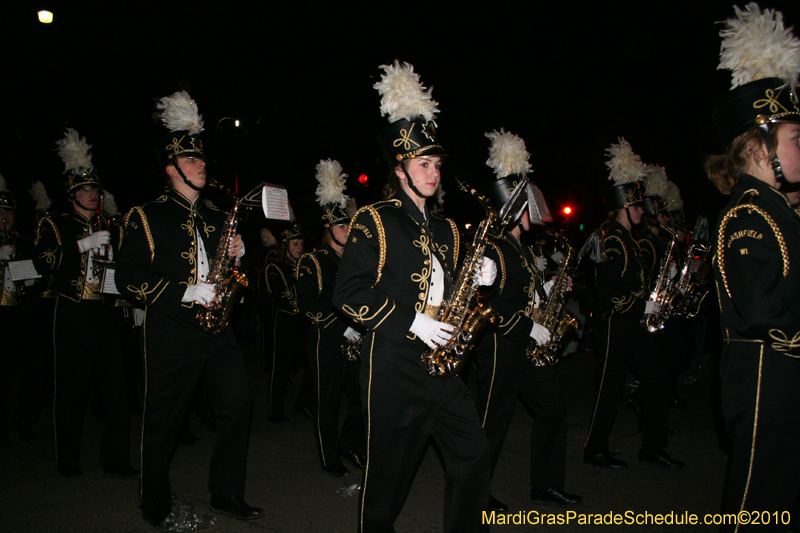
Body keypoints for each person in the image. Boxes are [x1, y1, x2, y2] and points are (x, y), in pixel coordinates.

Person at [333, 60, 493, 533]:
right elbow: (348, 293)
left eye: (437, 165)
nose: (434, 172)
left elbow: (446, 285)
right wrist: (412, 320)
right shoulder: (375, 219)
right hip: (394, 369)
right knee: (389, 479)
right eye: (424, 164)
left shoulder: (447, 227)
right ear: (400, 169)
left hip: (443, 365)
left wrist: (478, 276)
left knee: (473, 453)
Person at [115, 91, 262, 528]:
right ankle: (154, 502)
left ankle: (227, 492)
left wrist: (237, 256)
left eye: (201, 159)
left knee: (238, 403)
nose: (201, 165)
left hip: (216, 328)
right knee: (164, 417)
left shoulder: (217, 217)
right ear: (171, 168)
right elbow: (128, 278)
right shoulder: (145, 216)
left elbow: (229, 271)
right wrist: (184, 291)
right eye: (191, 160)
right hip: (171, 329)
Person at [706, 6, 800, 529]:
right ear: (762, 149)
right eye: (795, 139)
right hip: (765, 378)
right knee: (758, 503)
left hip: (783, 374)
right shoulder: (748, 214)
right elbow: (766, 310)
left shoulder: (777, 208)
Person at [475, 129, 582, 511]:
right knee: (492, 422)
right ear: (514, 208)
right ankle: (475, 494)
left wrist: (550, 287)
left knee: (553, 408)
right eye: (526, 205)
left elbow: (525, 293)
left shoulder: (520, 247)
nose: (533, 212)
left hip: (526, 347)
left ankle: (546, 484)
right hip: (501, 348)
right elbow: (490, 305)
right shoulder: (493, 247)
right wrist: (529, 328)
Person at [33, 129, 135, 479]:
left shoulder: (111, 225)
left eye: (95, 190)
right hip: (73, 311)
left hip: (104, 311)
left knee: (116, 388)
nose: (93, 195)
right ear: (72, 194)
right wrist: (82, 244)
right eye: (86, 190)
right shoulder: (56, 223)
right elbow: (43, 261)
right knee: (72, 387)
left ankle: (116, 458)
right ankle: (67, 458)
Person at [583, 138, 683, 470]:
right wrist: (643, 307)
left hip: (632, 323)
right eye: (637, 206)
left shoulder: (629, 238)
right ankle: (595, 448)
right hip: (614, 324)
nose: (643, 211)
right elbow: (607, 294)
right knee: (609, 389)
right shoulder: (611, 238)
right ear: (624, 207)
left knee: (658, 379)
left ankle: (652, 446)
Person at [296, 159, 366, 477]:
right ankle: (329, 457)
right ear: (329, 231)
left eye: (349, 225)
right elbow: (307, 305)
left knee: (362, 397)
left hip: (355, 341)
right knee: (327, 402)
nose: (347, 230)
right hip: (325, 340)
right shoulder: (313, 261)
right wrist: (344, 325)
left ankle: (349, 443)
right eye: (341, 226)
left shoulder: (355, 261)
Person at [264, 222, 313, 422]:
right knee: (280, 368)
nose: (299, 248)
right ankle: (275, 411)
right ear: (285, 246)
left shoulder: (304, 266)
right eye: (295, 244)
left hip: (303, 322)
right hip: (285, 322)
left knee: (312, 364)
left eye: (301, 244)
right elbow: (283, 294)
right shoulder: (276, 267)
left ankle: (302, 404)